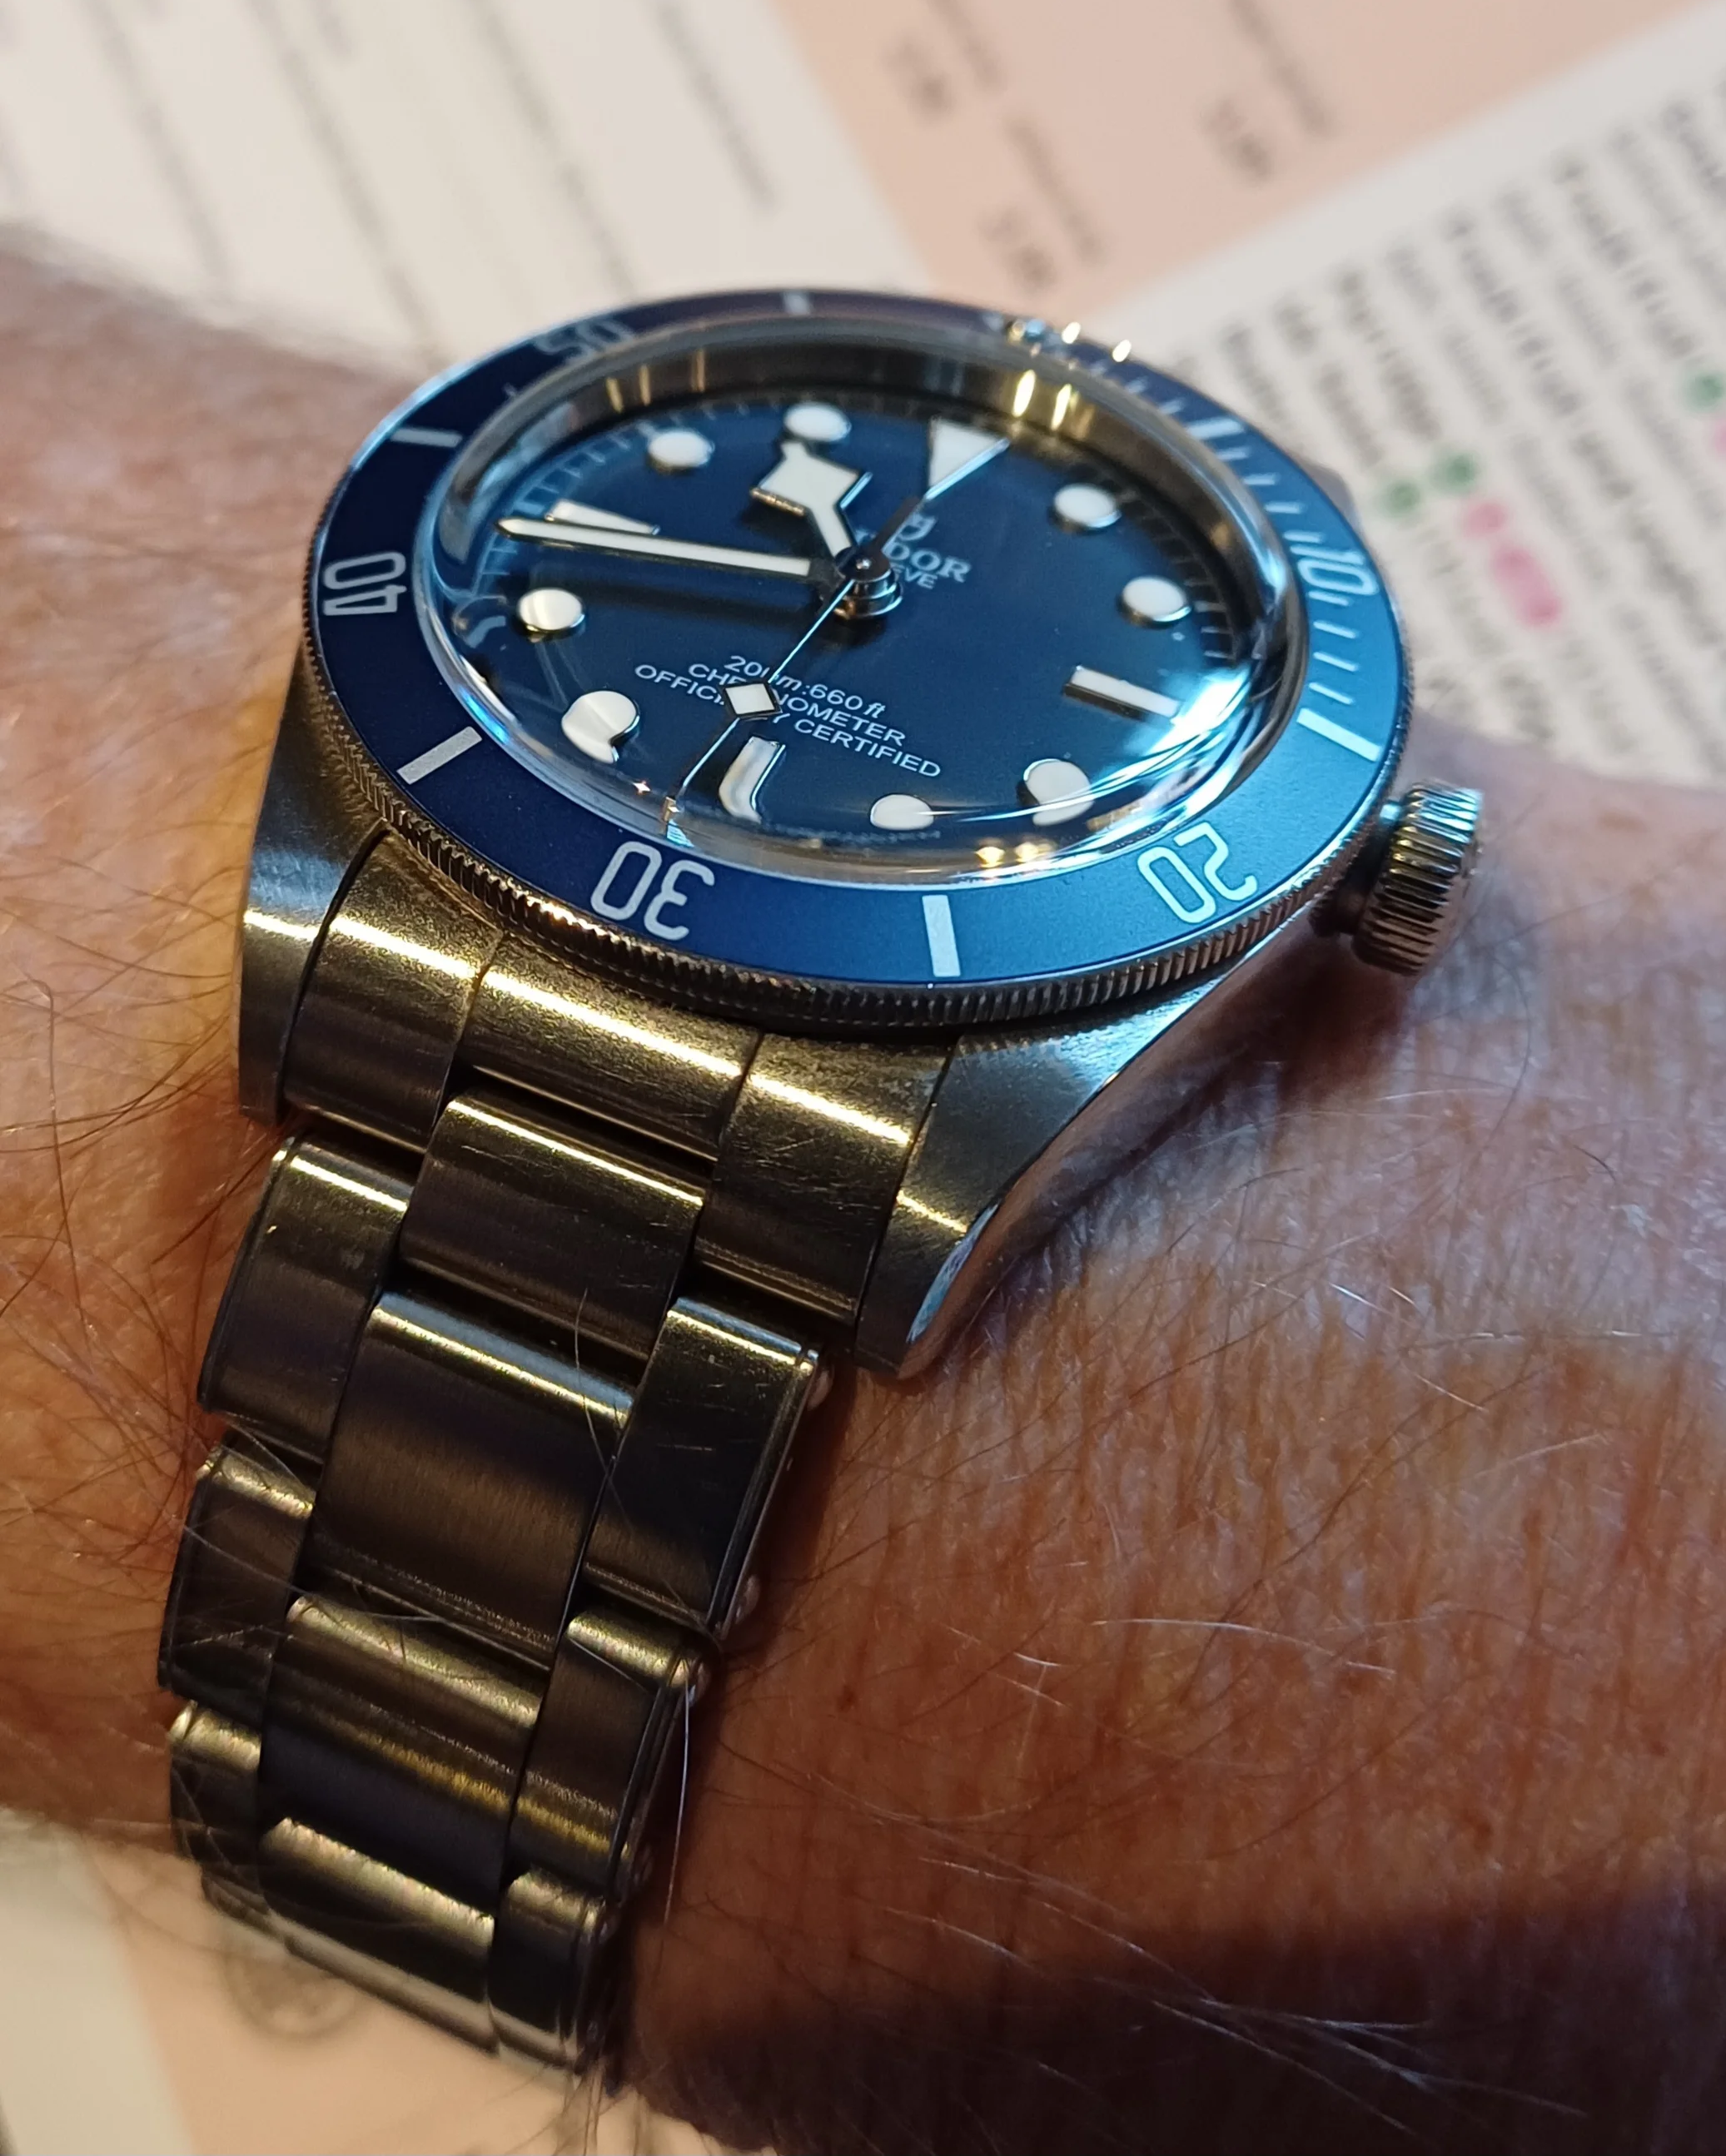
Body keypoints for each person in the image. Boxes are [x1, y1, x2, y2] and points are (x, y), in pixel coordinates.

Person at [1, 246, 1723, 2156]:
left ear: (1394, 865)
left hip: (865, 1083)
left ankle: (376, 1853)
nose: (869, 586)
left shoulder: (1215, 805)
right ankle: (358, 1841)